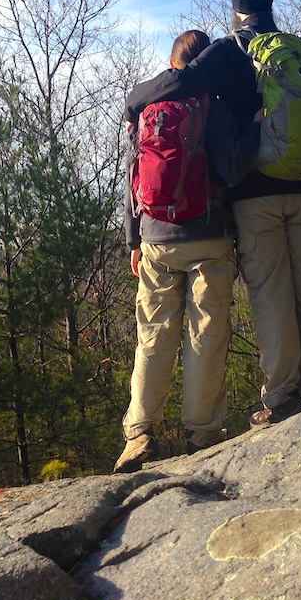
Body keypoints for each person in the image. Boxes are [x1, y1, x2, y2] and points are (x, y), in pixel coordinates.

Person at [125, 0, 301, 428]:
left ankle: (281, 397)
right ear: (271, 2)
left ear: (236, 6)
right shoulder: (293, 48)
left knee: (270, 292)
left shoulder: (228, 50)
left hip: (255, 194)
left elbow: (178, 83)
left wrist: (135, 101)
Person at [114, 30, 258, 474]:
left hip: (156, 237)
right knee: (205, 334)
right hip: (209, 235)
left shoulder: (148, 109)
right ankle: (203, 432)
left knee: (154, 334)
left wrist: (134, 240)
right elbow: (231, 168)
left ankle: (139, 433)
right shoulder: (211, 105)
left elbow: (133, 176)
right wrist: (253, 128)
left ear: (172, 62)